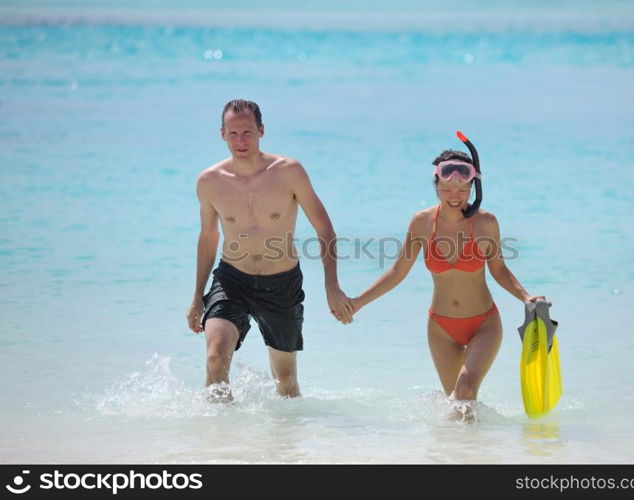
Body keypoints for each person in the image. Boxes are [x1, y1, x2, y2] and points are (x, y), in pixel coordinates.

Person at [350, 148, 544, 419]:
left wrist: (526, 297)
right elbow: (397, 272)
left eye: (462, 190)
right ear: (436, 185)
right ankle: (462, 454)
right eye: (447, 190)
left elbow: (498, 270)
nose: (455, 196)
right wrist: (358, 303)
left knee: (464, 390)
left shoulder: (486, 223)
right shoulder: (421, 223)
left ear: (472, 186)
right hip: (441, 328)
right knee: (458, 407)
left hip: (483, 324)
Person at [186, 99, 353, 400]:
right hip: (231, 278)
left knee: (286, 382)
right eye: (233, 133)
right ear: (221, 133)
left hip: (282, 283)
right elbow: (208, 237)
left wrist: (332, 285)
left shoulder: (289, 171)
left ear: (261, 131)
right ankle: (218, 441)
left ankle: (285, 444)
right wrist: (198, 296)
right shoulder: (209, 181)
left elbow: (324, 228)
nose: (240, 140)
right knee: (215, 359)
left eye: (247, 132)